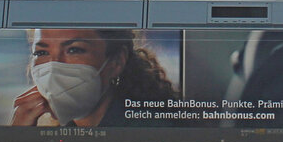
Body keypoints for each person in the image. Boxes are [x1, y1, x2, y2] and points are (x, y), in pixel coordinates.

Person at [11, 28, 176, 127]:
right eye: (42, 52)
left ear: (117, 61)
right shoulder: (58, 130)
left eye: (74, 50)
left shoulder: (149, 128)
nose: (54, 65)